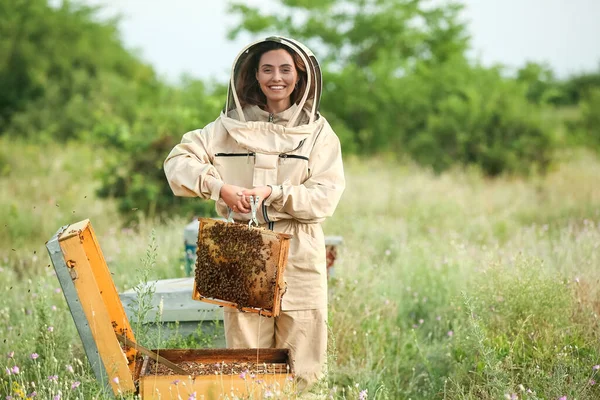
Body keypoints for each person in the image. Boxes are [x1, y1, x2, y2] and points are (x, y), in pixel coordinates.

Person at [163, 36, 345, 389]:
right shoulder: (225, 128)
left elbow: (325, 198)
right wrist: (221, 189)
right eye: (267, 69)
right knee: (247, 366)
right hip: (240, 247)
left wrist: (273, 194)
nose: (276, 77)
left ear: (300, 76)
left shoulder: (319, 134)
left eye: (285, 69)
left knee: (303, 365)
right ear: (253, 76)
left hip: (300, 251)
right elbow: (177, 163)